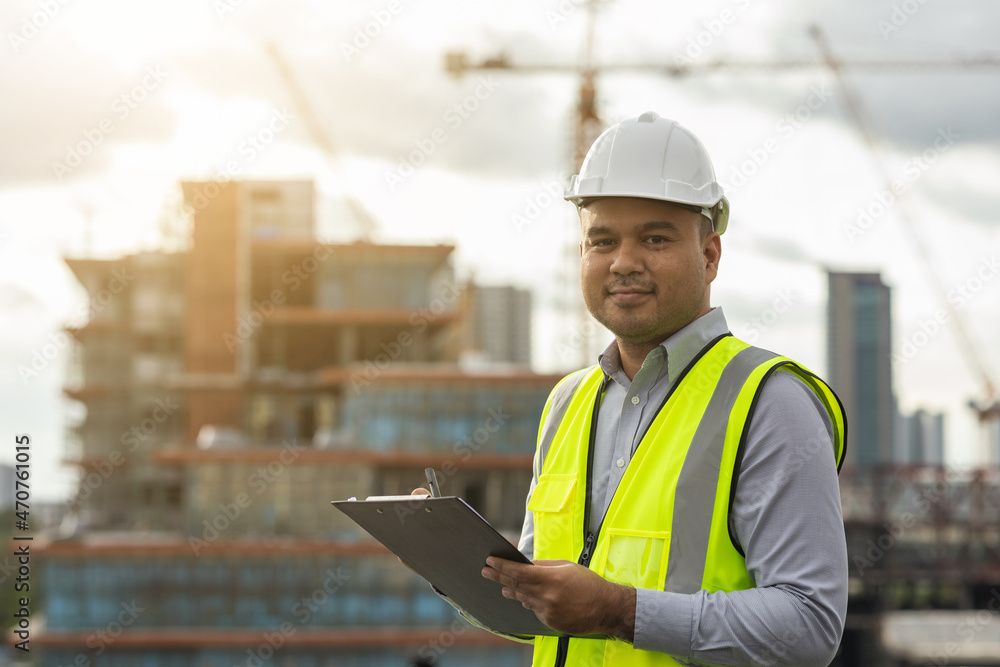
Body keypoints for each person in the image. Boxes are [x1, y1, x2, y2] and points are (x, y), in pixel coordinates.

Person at [420, 111, 848, 667]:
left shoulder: (770, 402)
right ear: (581, 255)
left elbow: (809, 627)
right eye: (602, 240)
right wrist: (447, 560)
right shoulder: (568, 403)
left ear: (710, 255)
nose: (624, 262)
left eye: (654, 238)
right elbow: (540, 612)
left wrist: (619, 611)